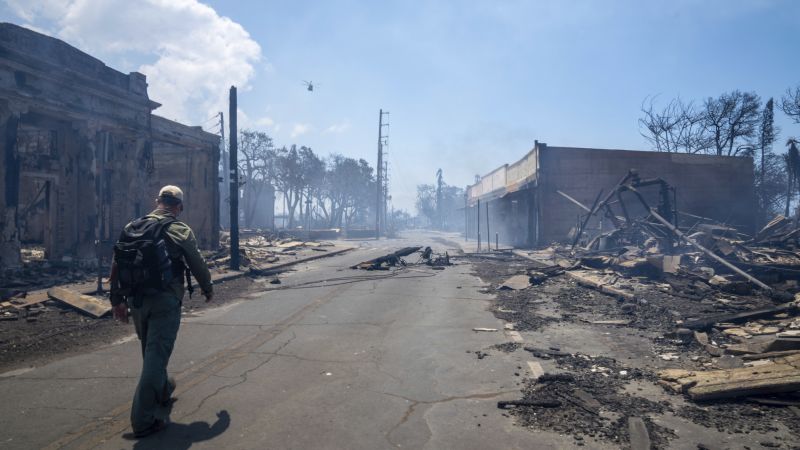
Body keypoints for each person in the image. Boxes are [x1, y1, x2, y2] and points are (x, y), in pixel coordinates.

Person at [110, 185, 214, 438]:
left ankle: (164, 389)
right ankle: (143, 421)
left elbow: (116, 262)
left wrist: (117, 300)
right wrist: (207, 288)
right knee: (156, 356)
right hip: (165, 301)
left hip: (136, 301)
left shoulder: (132, 227)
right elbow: (197, 262)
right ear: (178, 206)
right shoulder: (179, 229)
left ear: (157, 201)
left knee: (151, 351)